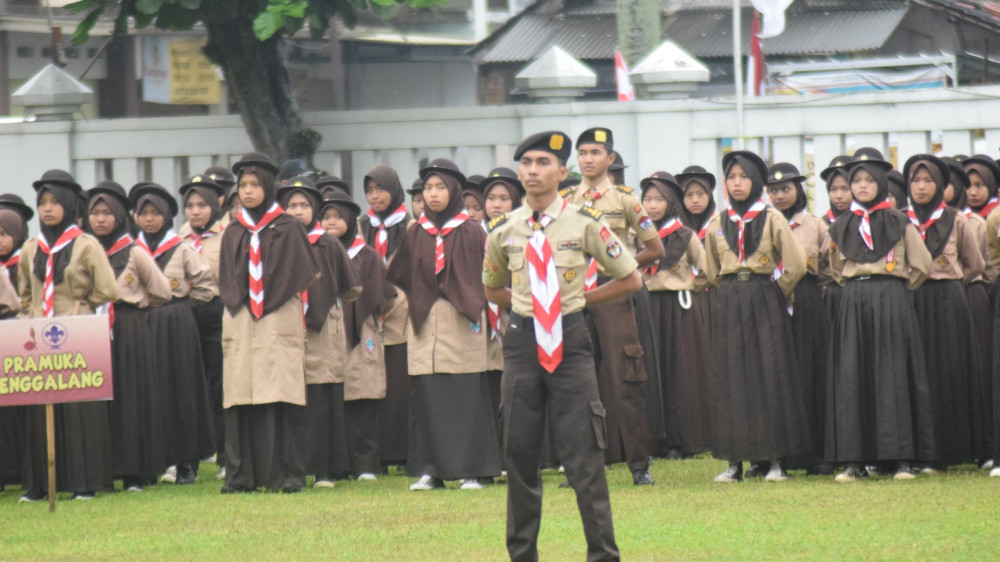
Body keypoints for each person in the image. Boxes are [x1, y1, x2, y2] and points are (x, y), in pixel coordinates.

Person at [485, 130, 641, 561]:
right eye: (527, 163)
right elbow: (492, 287)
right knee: (518, 456)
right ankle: (522, 555)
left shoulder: (585, 223)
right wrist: (529, 306)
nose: (533, 171)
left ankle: (603, 555)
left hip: (570, 341)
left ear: (562, 171)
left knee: (585, 459)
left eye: (543, 163)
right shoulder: (503, 229)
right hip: (522, 343)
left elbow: (631, 277)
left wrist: (572, 304)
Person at [386, 158, 502, 491]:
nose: (433, 195)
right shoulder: (416, 231)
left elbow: (490, 274)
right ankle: (431, 469)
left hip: (462, 321)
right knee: (428, 395)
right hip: (425, 323)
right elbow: (399, 273)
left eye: (440, 187)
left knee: (463, 395)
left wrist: (472, 301)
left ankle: (471, 470)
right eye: (428, 188)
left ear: (454, 191)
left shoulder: (470, 229)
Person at [826, 147, 935, 482]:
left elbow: (921, 266)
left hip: (891, 298)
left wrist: (892, 291)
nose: (860, 187)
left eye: (868, 180)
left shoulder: (901, 222)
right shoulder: (842, 225)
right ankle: (855, 461)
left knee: (894, 376)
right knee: (853, 377)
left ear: (882, 184)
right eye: (854, 180)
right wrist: (859, 286)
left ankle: (903, 458)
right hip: (854, 299)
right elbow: (835, 267)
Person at [563, 127, 663, 485]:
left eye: (595, 152)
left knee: (626, 378)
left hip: (613, 292)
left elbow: (656, 249)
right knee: (576, 381)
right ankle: (581, 466)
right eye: (583, 153)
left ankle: (639, 465)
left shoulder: (626, 200)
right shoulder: (567, 200)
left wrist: (625, 268)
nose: (588, 159)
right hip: (576, 295)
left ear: (610, 159)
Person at [704, 151, 810, 483]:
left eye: (744, 177)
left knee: (771, 375)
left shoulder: (772, 218)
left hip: (765, 295)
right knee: (732, 376)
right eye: (731, 177)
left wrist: (777, 293)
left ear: (756, 183)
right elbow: (710, 270)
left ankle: (776, 460)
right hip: (730, 299)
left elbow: (795, 265)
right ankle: (735, 461)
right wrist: (730, 292)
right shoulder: (717, 222)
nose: (737, 183)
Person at [218, 152, 319, 493]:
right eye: (242, 186)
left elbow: (304, 274)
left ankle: (287, 474)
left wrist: (275, 292)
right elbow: (226, 278)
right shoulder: (233, 230)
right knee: (240, 394)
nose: (247, 192)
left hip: (279, 316)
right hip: (241, 318)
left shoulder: (289, 227)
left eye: (254, 185)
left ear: (269, 187)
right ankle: (241, 475)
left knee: (281, 393)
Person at [17, 169, 118, 502]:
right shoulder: (32, 248)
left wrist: (81, 306)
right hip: (36, 334)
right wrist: (33, 314)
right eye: (43, 202)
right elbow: (25, 293)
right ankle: (40, 483)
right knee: (38, 405)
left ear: (70, 205)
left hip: (77, 332)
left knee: (79, 411)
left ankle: (83, 481)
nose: (48, 209)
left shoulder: (85, 245)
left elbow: (108, 289)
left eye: (55, 202)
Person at [86, 181, 172, 491]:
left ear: (121, 215)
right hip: (92, 329)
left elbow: (162, 291)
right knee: (98, 399)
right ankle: (103, 468)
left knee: (133, 397)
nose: (100, 219)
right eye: (94, 213)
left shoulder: (134, 250)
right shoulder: (84, 249)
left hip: (129, 327)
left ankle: (136, 471)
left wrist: (137, 308)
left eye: (107, 213)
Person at [130, 181, 216, 486]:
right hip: (141, 323)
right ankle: (154, 461)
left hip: (176, 324)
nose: (150, 218)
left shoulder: (181, 248)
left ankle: (186, 462)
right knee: (148, 392)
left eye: (156, 213)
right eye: (144, 213)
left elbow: (205, 286)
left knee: (182, 390)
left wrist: (180, 306)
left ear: (167, 216)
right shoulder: (131, 249)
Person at [277, 176, 361, 487]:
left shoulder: (327, 243)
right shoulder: (277, 242)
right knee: (294, 393)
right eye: (291, 206)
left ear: (315, 209)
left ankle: (326, 467)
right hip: (287, 324)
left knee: (324, 390)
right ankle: (296, 464)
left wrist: (328, 303)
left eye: (304, 205)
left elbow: (352, 286)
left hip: (325, 325)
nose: (298, 211)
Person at [907, 154, 983, 471]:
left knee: (948, 371)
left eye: (928, 181)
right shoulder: (901, 219)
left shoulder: (956, 219)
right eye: (915, 180)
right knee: (916, 373)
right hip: (912, 299)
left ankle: (951, 449)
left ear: (941, 185)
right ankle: (920, 451)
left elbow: (973, 265)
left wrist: (947, 286)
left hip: (949, 300)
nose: (921, 187)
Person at [322, 191, 398, 480]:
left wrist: (371, 317)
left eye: (337, 217)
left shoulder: (367, 256)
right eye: (326, 217)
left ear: (351, 221)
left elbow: (387, 296)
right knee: (333, 399)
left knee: (362, 399)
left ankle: (366, 465)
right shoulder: (317, 250)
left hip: (362, 331)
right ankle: (338, 465)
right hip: (328, 332)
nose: (331, 222)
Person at [765, 162, 833, 475]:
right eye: (774, 190)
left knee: (809, 375)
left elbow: (828, 267)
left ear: (798, 191)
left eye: (786, 189)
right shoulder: (760, 223)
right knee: (774, 375)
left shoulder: (815, 225)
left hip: (806, 302)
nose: (780, 195)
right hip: (769, 300)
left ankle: (814, 454)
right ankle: (772, 456)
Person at [639, 171, 711, 459]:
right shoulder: (639, 236)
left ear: (671, 203)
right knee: (650, 373)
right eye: (647, 199)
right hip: (647, 306)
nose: (653, 205)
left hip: (679, 310)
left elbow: (706, 271)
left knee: (680, 373)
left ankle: (682, 441)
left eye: (659, 199)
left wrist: (689, 288)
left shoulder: (685, 235)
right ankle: (653, 441)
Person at [359, 165, 413, 470]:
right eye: (369, 190)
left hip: (400, 312)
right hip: (369, 312)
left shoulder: (411, 226)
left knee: (399, 384)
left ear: (394, 190)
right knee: (371, 381)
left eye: (381, 189)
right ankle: (375, 455)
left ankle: (402, 453)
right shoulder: (360, 226)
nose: (375, 196)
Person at [945, 156, 995, 469]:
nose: (972, 192)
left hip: (972, 297)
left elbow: (985, 268)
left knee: (978, 371)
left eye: (979, 185)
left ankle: (984, 444)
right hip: (945, 302)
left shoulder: (976, 222)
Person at [180, 174, 229, 479]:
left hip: (219, 314)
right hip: (187, 315)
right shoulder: (180, 239)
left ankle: (226, 456)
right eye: (189, 206)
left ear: (214, 205)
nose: (195, 211)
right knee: (188, 388)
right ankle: (188, 461)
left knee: (220, 387)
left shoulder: (229, 236)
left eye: (202, 205)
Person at [0, 205, 27, 492]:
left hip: (16, 334)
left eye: (5, 234)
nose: (0, 240)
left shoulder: (23, 264)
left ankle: (19, 467)